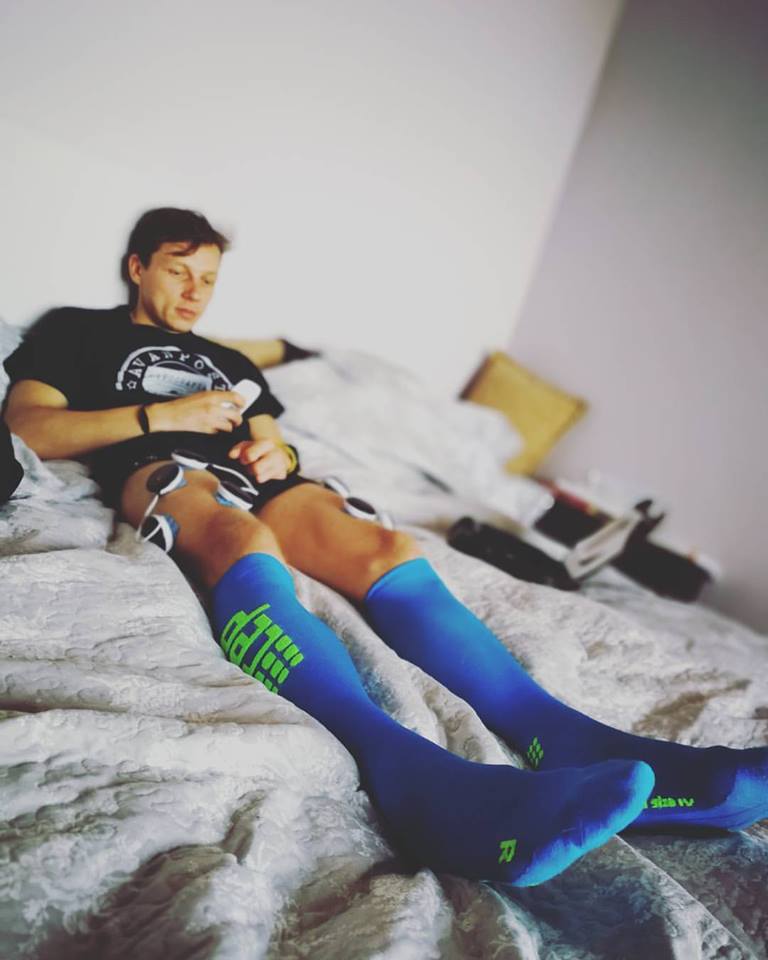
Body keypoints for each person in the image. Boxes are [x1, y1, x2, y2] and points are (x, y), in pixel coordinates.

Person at [3, 208, 766, 887]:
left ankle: (564, 738)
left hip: (259, 476)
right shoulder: (76, 331)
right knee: (242, 538)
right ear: (138, 267)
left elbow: (274, 439)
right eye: (180, 271)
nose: (196, 292)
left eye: (209, 278)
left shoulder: (229, 361)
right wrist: (161, 416)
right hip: (158, 466)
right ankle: (415, 779)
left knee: (385, 548)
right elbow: (30, 427)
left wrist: (275, 454)